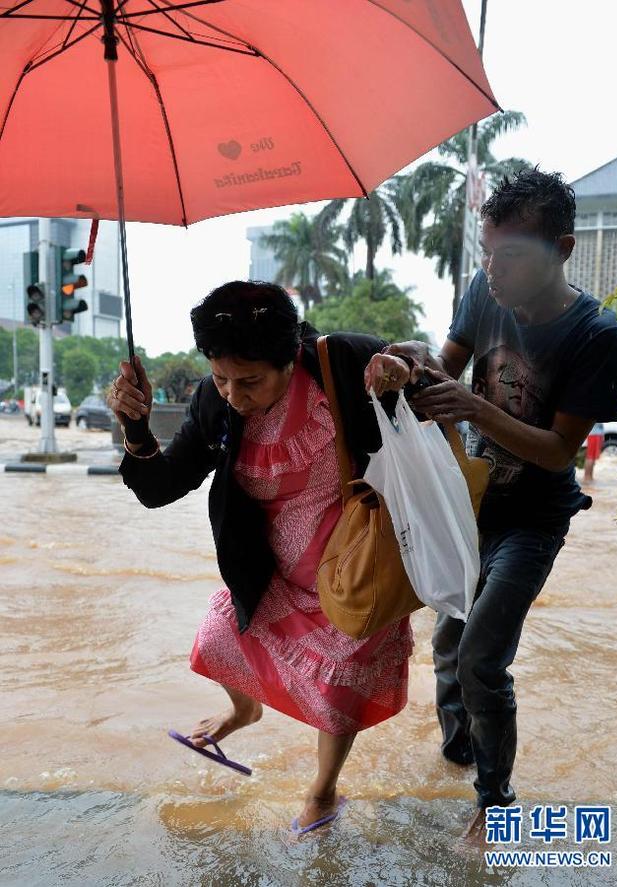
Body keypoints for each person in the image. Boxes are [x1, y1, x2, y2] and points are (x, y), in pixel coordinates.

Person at [364, 168, 617, 840]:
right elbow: (442, 371)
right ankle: (458, 751)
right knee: (449, 634)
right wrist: (407, 365)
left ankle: (496, 802)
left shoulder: (594, 333)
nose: (493, 269)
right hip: (471, 499)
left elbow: (557, 450)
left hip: (536, 517)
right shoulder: (482, 292)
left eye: (510, 255)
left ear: (562, 250)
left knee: (481, 652)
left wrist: (477, 406)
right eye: (488, 252)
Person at [107, 281, 413, 834]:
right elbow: (160, 487)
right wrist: (135, 427)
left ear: (289, 356)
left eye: (249, 381)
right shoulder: (214, 404)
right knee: (218, 636)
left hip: (355, 568)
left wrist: (402, 369)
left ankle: (322, 792)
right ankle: (245, 708)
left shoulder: (340, 362)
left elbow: (425, 365)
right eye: (221, 377)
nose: (232, 394)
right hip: (269, 567)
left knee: (340, 684)